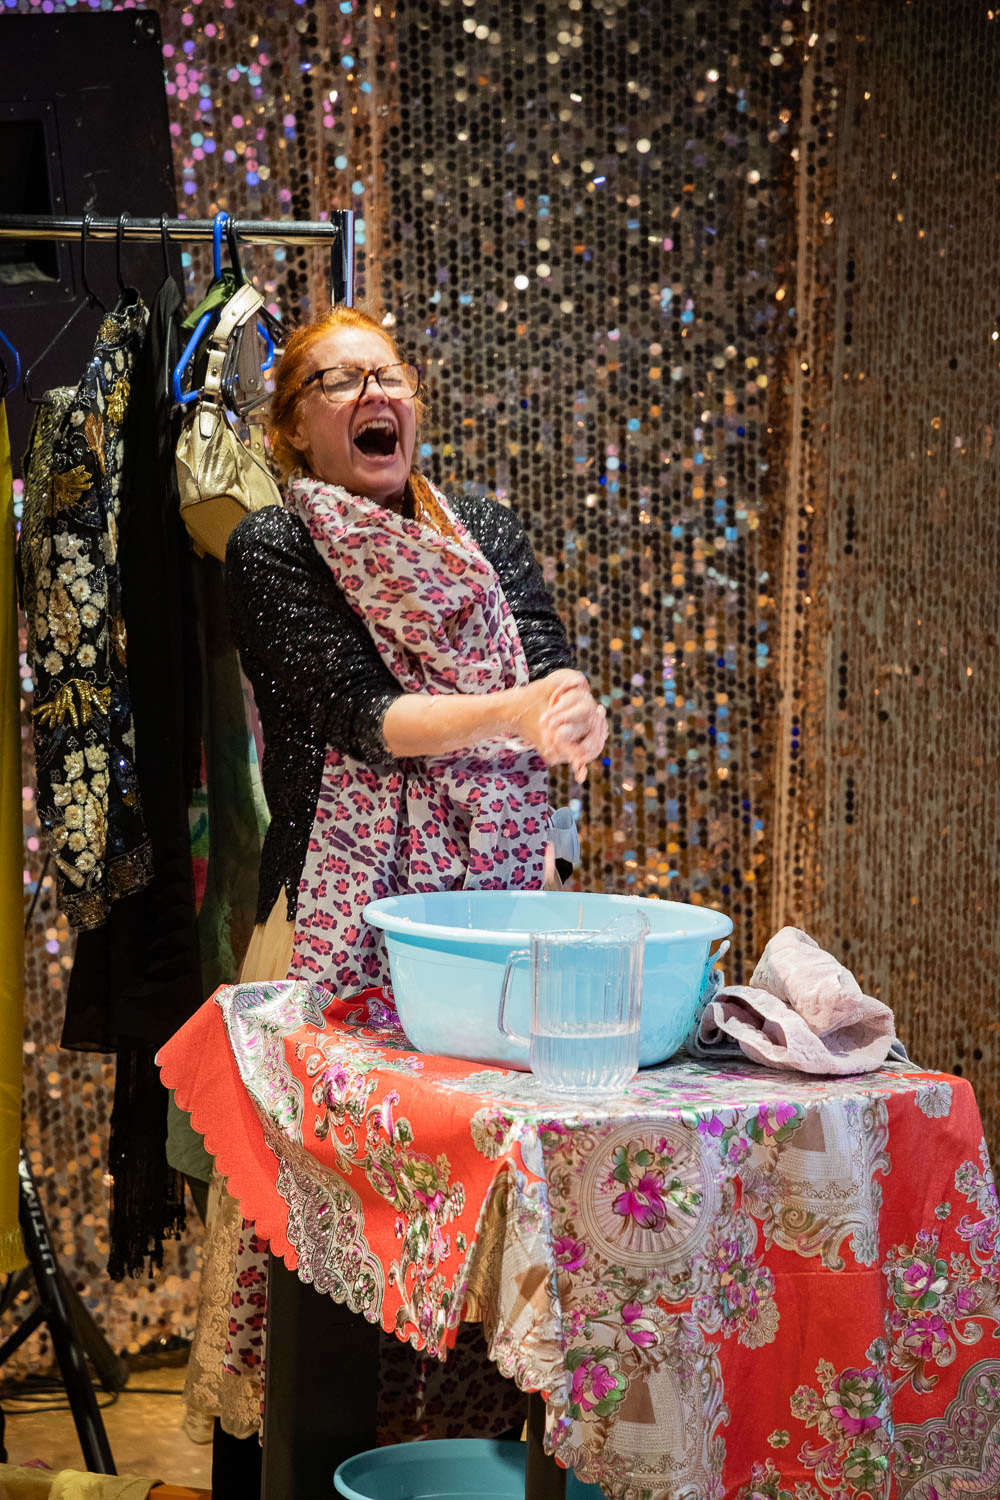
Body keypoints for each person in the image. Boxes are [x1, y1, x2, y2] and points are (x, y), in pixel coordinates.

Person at [184, 303, 607, 1495]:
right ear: (294, 431)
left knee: (472, 1219)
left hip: (489, 934)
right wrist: (512, 715)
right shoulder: (275, 548)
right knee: (311, 1242)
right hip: (330, 934)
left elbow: (543, 663)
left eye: (389, 374)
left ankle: (444, 1467)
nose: (374, 395)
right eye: (337, 381)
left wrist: (571, 712)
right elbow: (359, 717)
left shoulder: (483, 531)